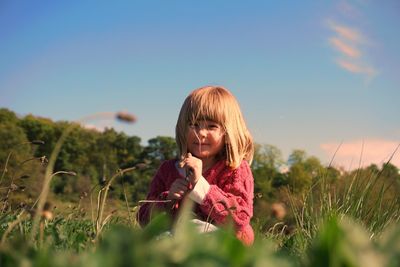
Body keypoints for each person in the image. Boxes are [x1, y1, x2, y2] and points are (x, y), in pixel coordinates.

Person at [137, 86, 255, 245]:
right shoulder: (168, 169)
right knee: (155, 241)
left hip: (224, 245)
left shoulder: (235, 169)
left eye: (212, 126)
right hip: (176, 241)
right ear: (182, 128)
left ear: (227, 133)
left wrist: (201, 187)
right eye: (194, 124)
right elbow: (143, 219)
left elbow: (239, 220)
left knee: (195, 228)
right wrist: (168, 199)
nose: (201, 133)